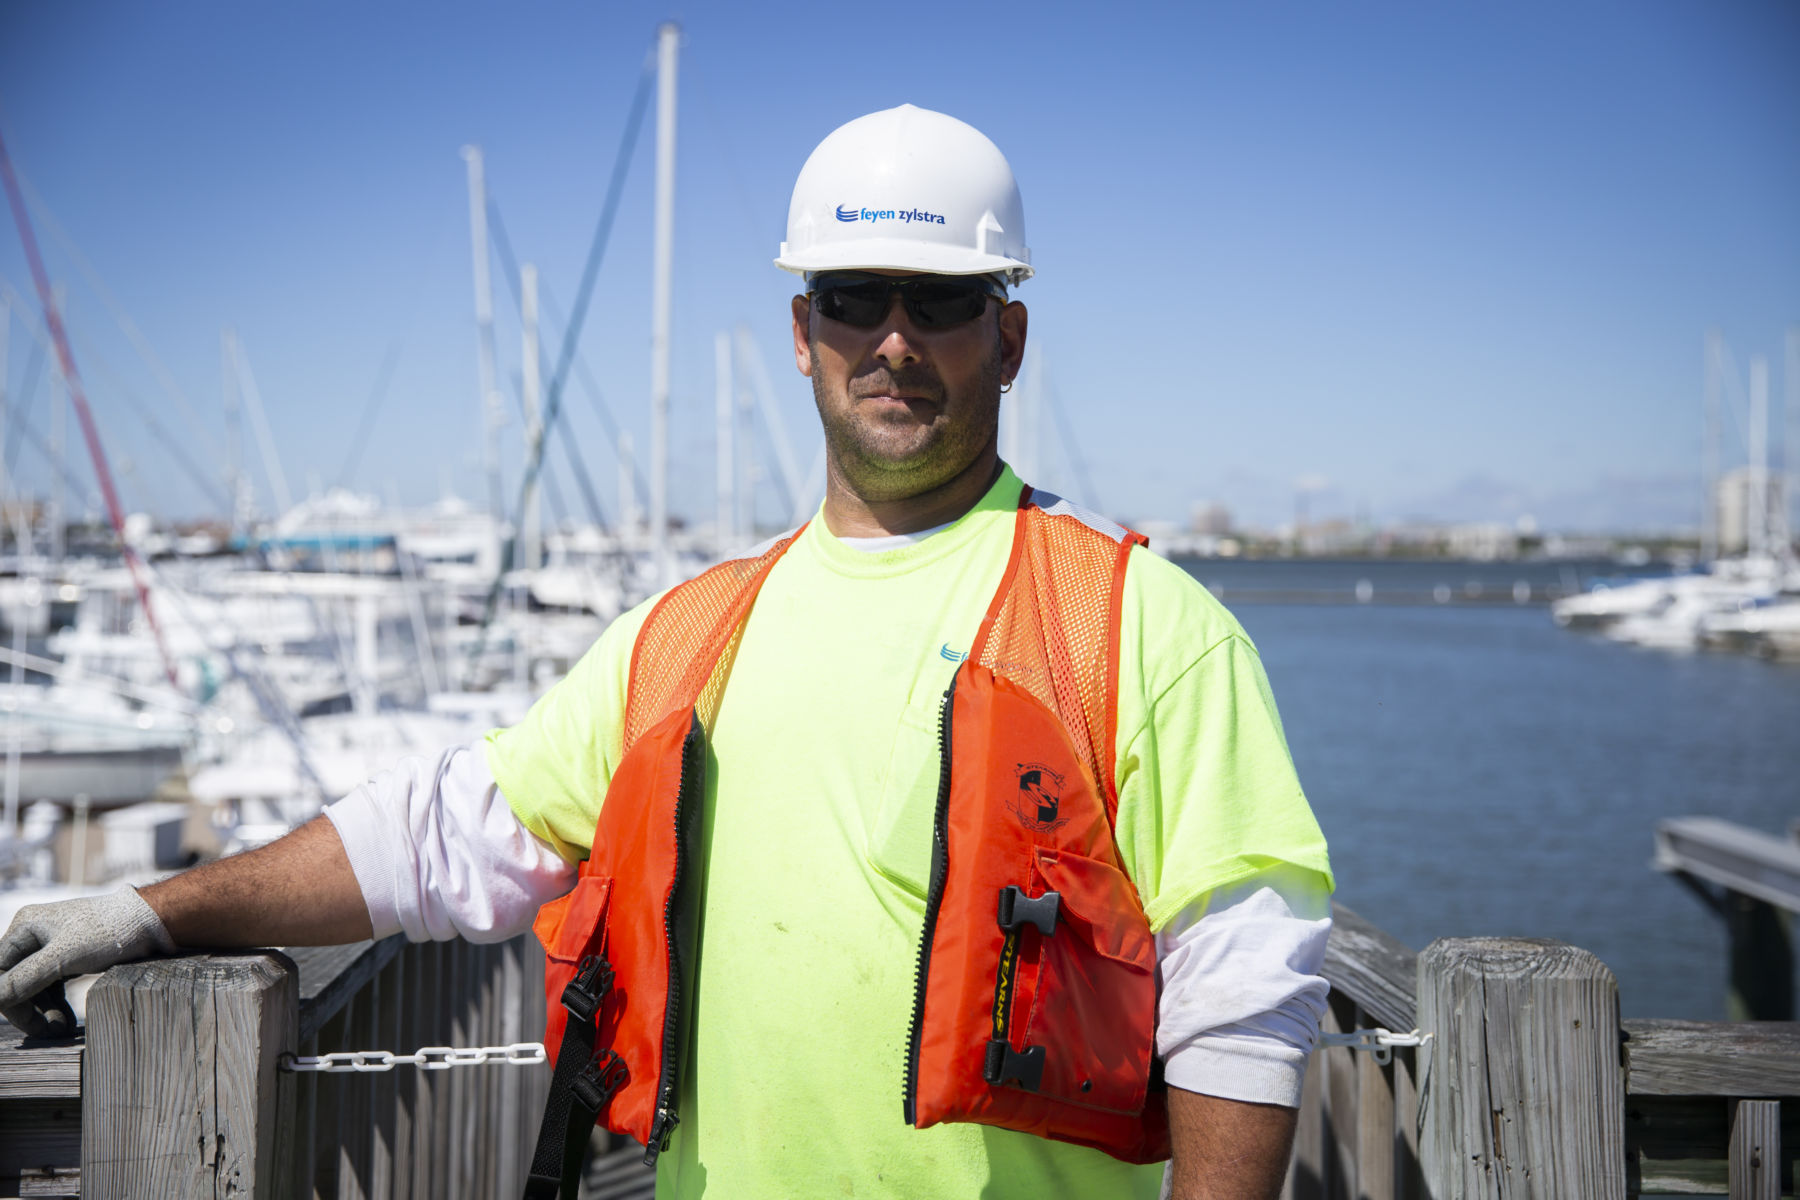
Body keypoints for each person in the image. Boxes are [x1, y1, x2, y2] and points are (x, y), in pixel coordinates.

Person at [0, 105, 1333, 1199]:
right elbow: (446, 836)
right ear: (802, 337)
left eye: (939, 302)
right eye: (857, 298)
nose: (893, 341)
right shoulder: (691, 633)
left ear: (1010, 337)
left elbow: (1242, 998)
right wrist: (147, 912)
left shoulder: (1141, 625)